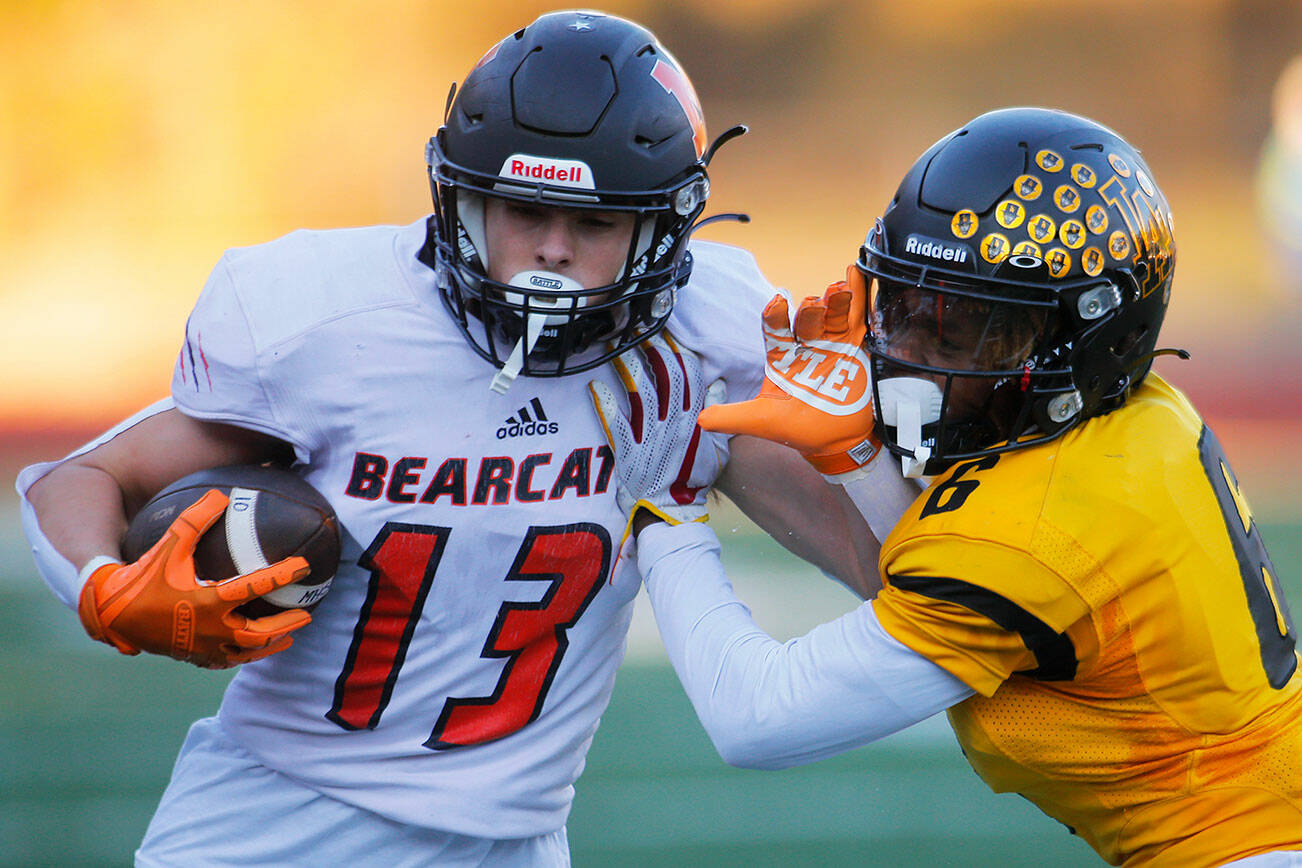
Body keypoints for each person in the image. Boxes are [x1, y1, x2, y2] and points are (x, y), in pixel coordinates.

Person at [16, 10, 908, 865]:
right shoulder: (333, 325)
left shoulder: (703, 345)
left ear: (665, 228)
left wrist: (853, 458)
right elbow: (83, 478)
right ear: (459, 201)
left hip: (516, 841)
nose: (550, 250)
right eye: (522, 212)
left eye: (595, 222)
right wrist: (101, 587)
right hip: (275, 825)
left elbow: (888, 576)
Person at [603, 108, 1302, 866]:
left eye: (965, 329)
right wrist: (860, 462)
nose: (908, 358)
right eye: (903, 308)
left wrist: (664, 512)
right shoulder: (1133, 419)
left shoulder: (1038, 528)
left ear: (1090, 333)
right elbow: (930, 578)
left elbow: (756, 717)